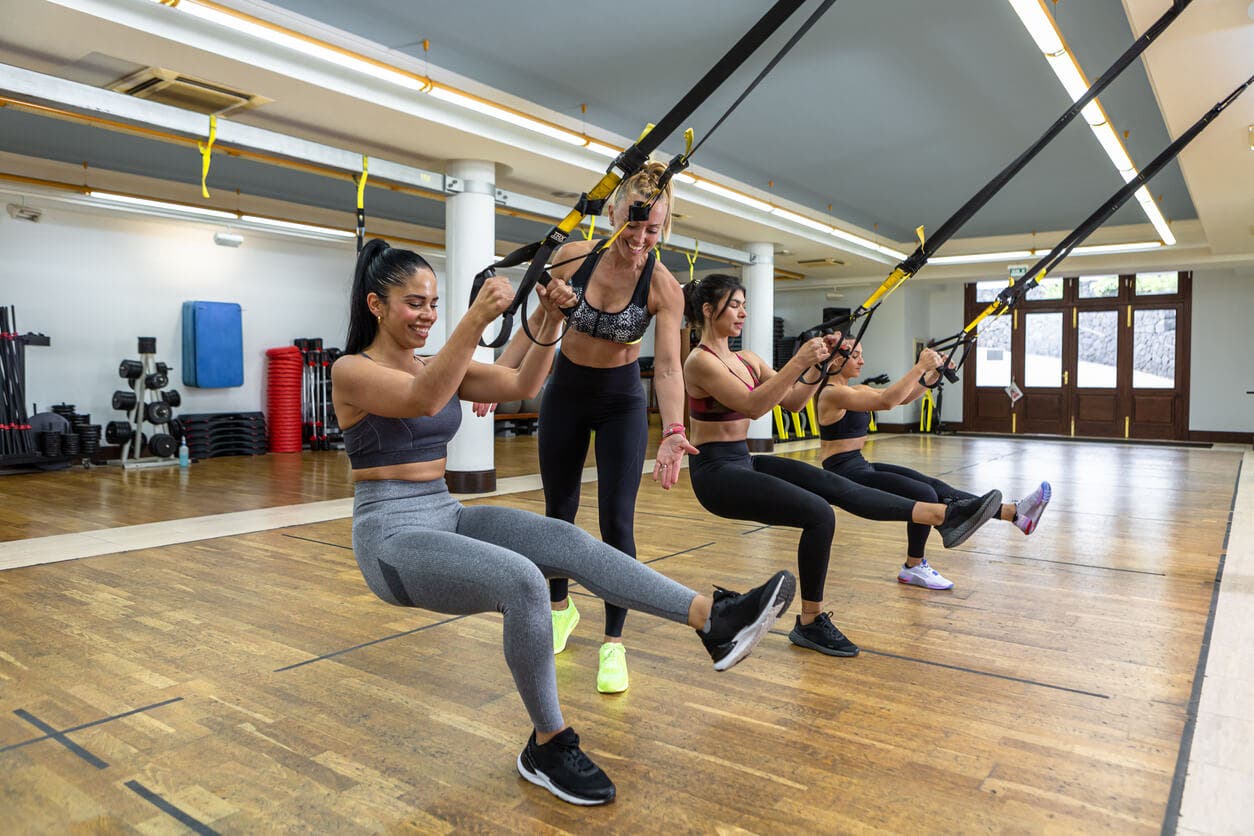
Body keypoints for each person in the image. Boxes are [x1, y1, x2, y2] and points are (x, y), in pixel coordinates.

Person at [332, 239, 796, 806]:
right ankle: (547, 745)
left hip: (444, 511)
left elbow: (522, 386)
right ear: (377, 306)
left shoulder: (437, 362)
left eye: (434, 302)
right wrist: (475, 319)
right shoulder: (350, 370)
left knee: (565, 540)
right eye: (414, 303)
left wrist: (551, 318)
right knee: (523, 581)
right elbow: (425, 399)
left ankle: (713, 620)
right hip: (389, 537)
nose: (428, 314)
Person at [682, 274, 1002, 658]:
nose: (743, 313)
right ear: (707, 310)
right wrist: (799, 358)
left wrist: (821, 365)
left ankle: (943, 514)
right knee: (819, 513)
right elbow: (753, 405)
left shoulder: (747, 359)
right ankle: (811, 623)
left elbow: (795, 401)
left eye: (744, 305)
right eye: (734, 305)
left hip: (743, 459)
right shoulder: (700, 362)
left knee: (834, 488)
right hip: (715, 474)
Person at [528, 161, 698, 695]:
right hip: (566, 392)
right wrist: (508, 375)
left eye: (654, 229)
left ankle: (614, 643)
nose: (641, 238)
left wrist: (673, 428)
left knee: (616, 523)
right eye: (634, 224)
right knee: (558, 513)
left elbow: (668, 367)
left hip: (621, 401)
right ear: (611, 212)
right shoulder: (573, 256)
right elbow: (542, 325)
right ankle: (560, 608)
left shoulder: (665, 287)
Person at [816, 340, 1051, 590]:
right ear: (838, 360)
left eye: (862, 355)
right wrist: (919, 367)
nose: (862, 361)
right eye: (856, 356)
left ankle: (1015, 514)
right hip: (842, 472)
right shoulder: (832, 393)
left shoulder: (856, 389)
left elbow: (903, 398)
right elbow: (887, 401)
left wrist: (932, 375)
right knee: (923, 494)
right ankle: (914, 567)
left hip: (859, 463)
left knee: (933, 485)